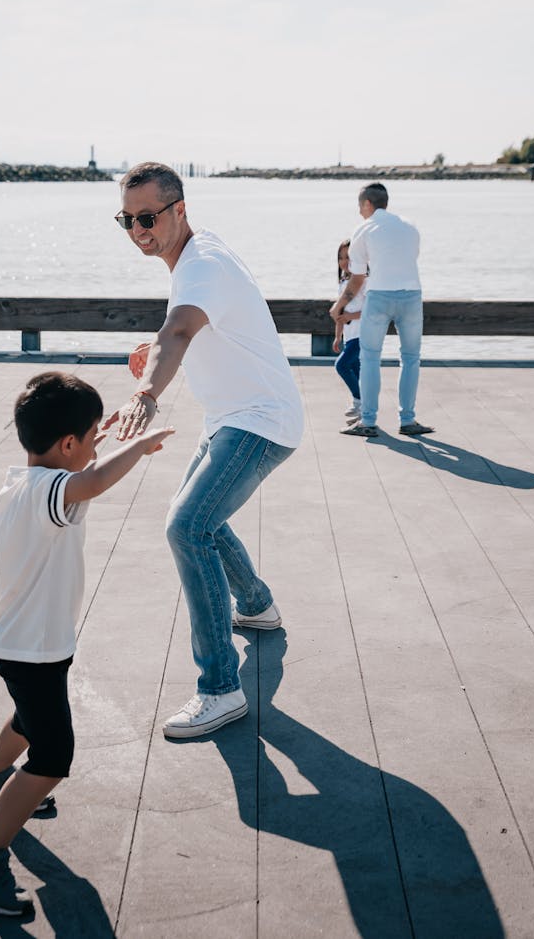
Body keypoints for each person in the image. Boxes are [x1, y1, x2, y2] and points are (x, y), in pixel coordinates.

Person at [0, 371, 173, 916]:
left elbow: (76, 471)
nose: (98, 442)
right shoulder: (56, 490)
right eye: (90, 435)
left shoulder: (23, 483)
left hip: (28, 643)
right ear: (69, 444)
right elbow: (91, 483)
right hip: (33, 647)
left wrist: (93, 442)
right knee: (53, 756)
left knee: (30, 719)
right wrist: (139, 448)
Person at [113, 162, 303, 740]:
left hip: (258, 421)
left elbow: (179, 330)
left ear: (179, 210)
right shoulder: (197, 257)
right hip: (234, 416)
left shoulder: (202, 266)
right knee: (202, 519)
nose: (138, 229)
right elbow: (188, 328)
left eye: (148, 217)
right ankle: (257, 604)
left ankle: (220, 688)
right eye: (126, 219)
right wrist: (158, 347)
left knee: (187, 526)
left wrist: (148, 390)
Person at [329, 182, 434, 438]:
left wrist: (339, 304)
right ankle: (407, 420)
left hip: (379, 296)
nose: (359, 212)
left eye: (359, 206)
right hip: (411, 295)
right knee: (410, 358)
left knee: (369, 358)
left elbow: (357, 278)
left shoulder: (363, 230)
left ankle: (368, 420)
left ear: (367, 204)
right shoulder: (410, 227)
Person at [332, 238, 365, 426]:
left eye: (349, 257)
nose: (344, 261)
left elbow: (370, 310)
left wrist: (351, 315)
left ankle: (358, 400)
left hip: (361, 335)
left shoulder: (362, 282)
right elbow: (340, 314)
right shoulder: (343, 283)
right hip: (350, 336)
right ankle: (363, 410)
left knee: (341, 365)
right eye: (340, 257)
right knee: (356, 370)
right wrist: (338, 336)